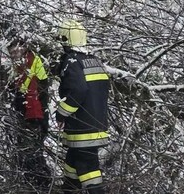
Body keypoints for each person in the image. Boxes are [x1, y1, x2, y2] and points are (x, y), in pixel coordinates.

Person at [51, 20, 109, 194]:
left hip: (82, 128)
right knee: (72, 164)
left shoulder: (72, 62)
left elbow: (78, 91)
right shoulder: (93, 61)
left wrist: (61, 113)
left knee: (87, 168)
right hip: (96, 125)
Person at [9, 39, 51, 190]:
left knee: (31, 155)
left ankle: (41, 186)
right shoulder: (29, 61)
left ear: (23, 48)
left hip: (33, 116)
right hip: (34, 115)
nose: (12, 55)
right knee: (32, 154)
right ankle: (38, 185)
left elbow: (23, 89)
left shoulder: (28, 64)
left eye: (14, 51)